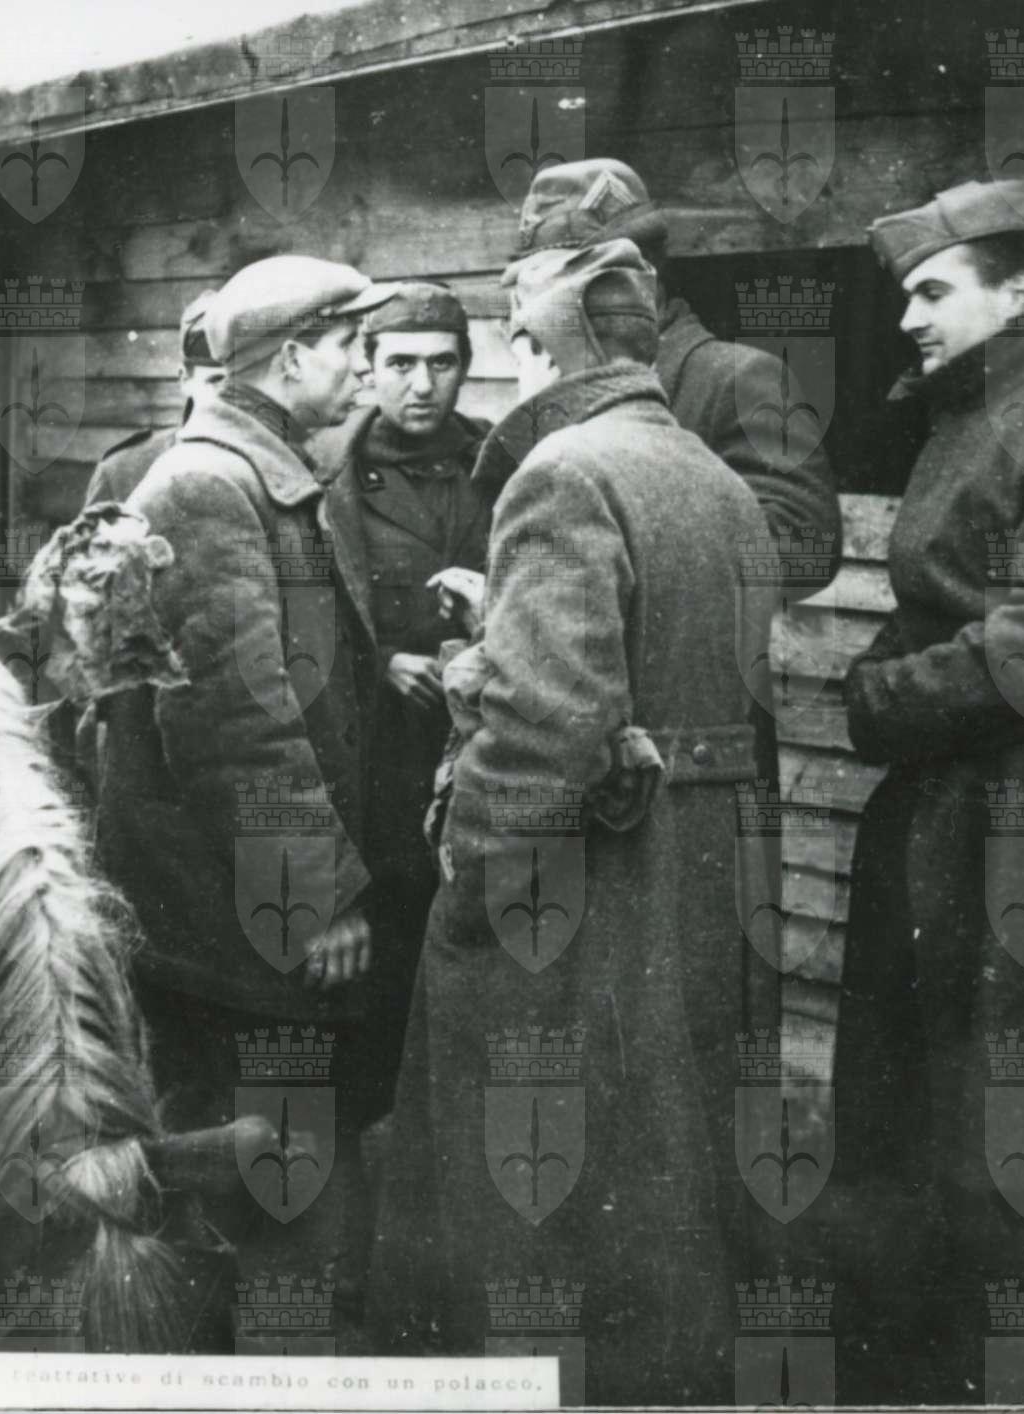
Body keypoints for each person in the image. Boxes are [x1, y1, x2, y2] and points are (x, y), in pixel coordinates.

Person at [365, 232, 767, 1406]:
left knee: (535, 1190)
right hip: (696, 868)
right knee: (665, 1160)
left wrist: (471, 876)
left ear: (542, 349)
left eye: (516, 342)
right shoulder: (713, 475)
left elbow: (551, 723)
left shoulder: (562, 472)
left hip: (582, 885)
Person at [93, 255, 399, 1342]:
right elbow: (235, 723)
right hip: (228, 919)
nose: (365, 368)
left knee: (279, 1163)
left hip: (240, 906)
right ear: (291, 357)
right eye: (351, 346)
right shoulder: (207, 487)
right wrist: (315, 896)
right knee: (253, 1171)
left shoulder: (260, 474)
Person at [825, 178, 1024, 1403]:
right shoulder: (968, 411)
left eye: (932, 290)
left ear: (1020, 290)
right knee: (904, 1095)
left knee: (1001, 1104)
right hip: (939, 806)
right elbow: (938, 607)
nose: (907, 319)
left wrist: (877, 699)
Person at [308, 284, 491, 1309]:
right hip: (371, 781)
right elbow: (300, 617)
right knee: (364, 1017)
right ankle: (352, 1258)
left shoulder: (502, 459)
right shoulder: (324, 472)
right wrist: (380, 662)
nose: (423, 384)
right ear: (368, 368)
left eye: (443, 362)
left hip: (474, 775)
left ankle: (442, 1252)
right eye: (400, 363)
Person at [504, 157, 841, 585]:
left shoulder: (738, 378)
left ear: (646, 278)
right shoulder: (553, 379)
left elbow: (807, 547)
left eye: (580, 284)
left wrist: (624, 557)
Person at [85, 289, 226, 507]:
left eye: (245, 384)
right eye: (216, 381)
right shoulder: (123, 471)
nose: (234, 397)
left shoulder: (278, 465)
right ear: (185, 379)